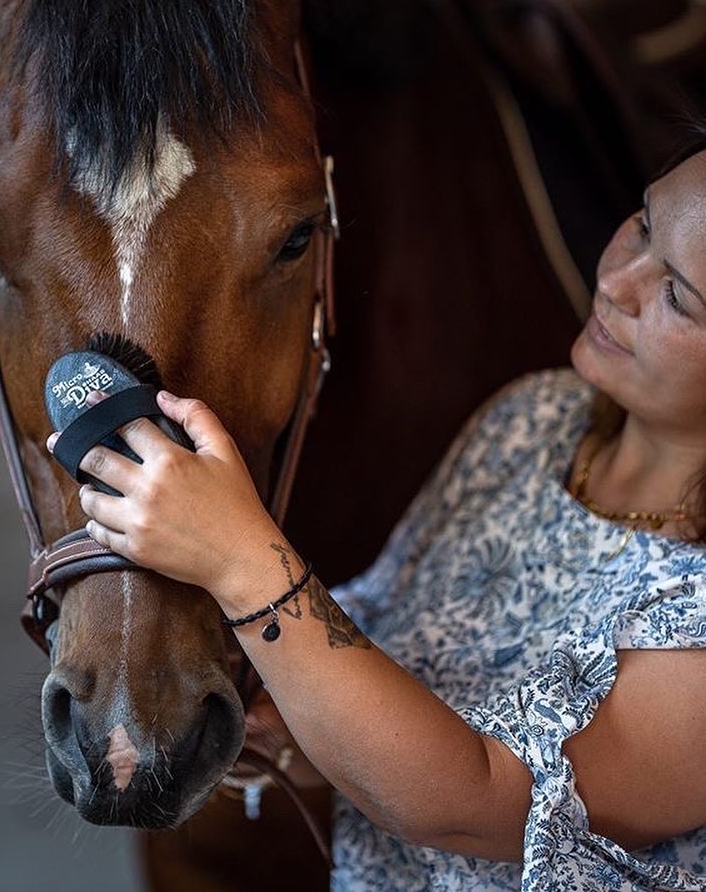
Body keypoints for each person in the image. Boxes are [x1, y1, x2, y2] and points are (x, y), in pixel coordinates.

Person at [51, 143, 706, 890]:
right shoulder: (536, 419)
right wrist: (291, 734)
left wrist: (237, 554)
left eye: (678, 296)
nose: (616, 281)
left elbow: (471, 798)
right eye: (643, 226)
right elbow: (376, 638)